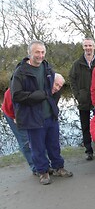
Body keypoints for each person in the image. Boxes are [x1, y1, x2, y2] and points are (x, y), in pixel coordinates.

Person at [10, 40, 73, 185]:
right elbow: (17, 96)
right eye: (37, 52)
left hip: (50, 115)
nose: (40, 55)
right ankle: (43, 172)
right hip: (33, 117)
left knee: (54, 144)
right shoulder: (20, 72)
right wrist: (38, 96)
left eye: (42, 52)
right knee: (37, 147)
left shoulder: (47, 68)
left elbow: (55, 90)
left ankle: (58, 167)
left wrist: (53, 106)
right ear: (30, 53)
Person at [1, 73, 65, 175]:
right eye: (56, 85)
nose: (57, 88)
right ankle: (35, 167)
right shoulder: (25, 86)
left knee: (39, 139)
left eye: (59, 86)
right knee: (26, 141)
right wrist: (15, 117)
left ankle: (45, 165)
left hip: (32, 113)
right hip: (12, 112)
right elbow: (12, 99)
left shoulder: (53, 90)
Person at [69, 37, 95, 161]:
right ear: (83, 47)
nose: (88, 48)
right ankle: (89, 150)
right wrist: (77, 95)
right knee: (85, 126)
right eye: (86, 46)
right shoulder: (77, 64)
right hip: (83, 99)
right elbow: (72, 79)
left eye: (90, 45)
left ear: (94, 47)